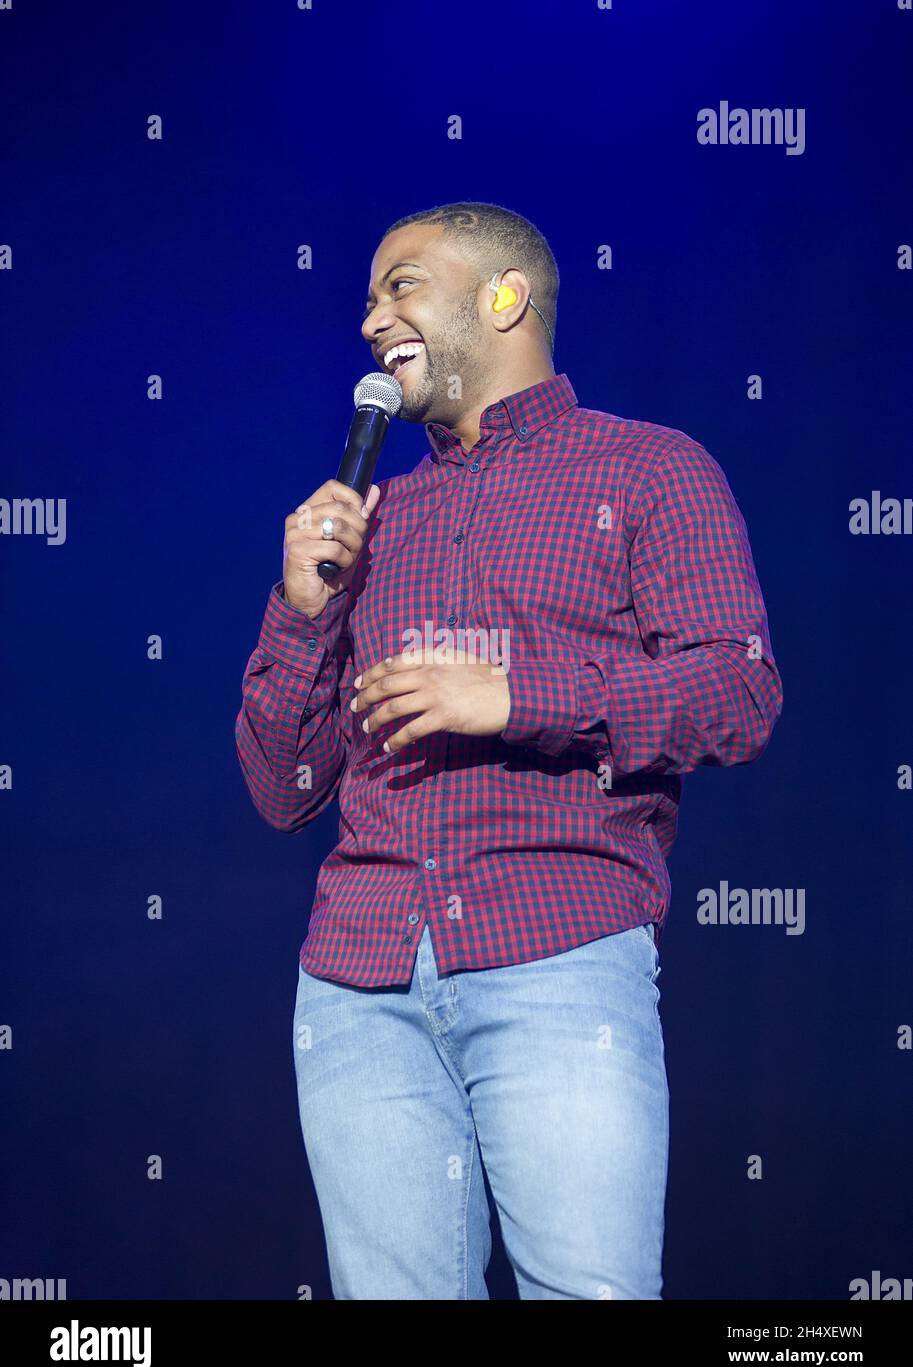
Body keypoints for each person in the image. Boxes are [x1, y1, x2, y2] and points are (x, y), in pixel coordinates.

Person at [235, 200, 784, 1300]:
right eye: (368, 294)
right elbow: (283, 789)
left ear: (503, 299)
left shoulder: (649, 469)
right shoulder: (374, 517)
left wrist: (513, 694)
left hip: (557, 955)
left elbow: (739, 691)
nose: (369, 319)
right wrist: (299, 610)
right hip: (357, 980)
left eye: (401, 285)